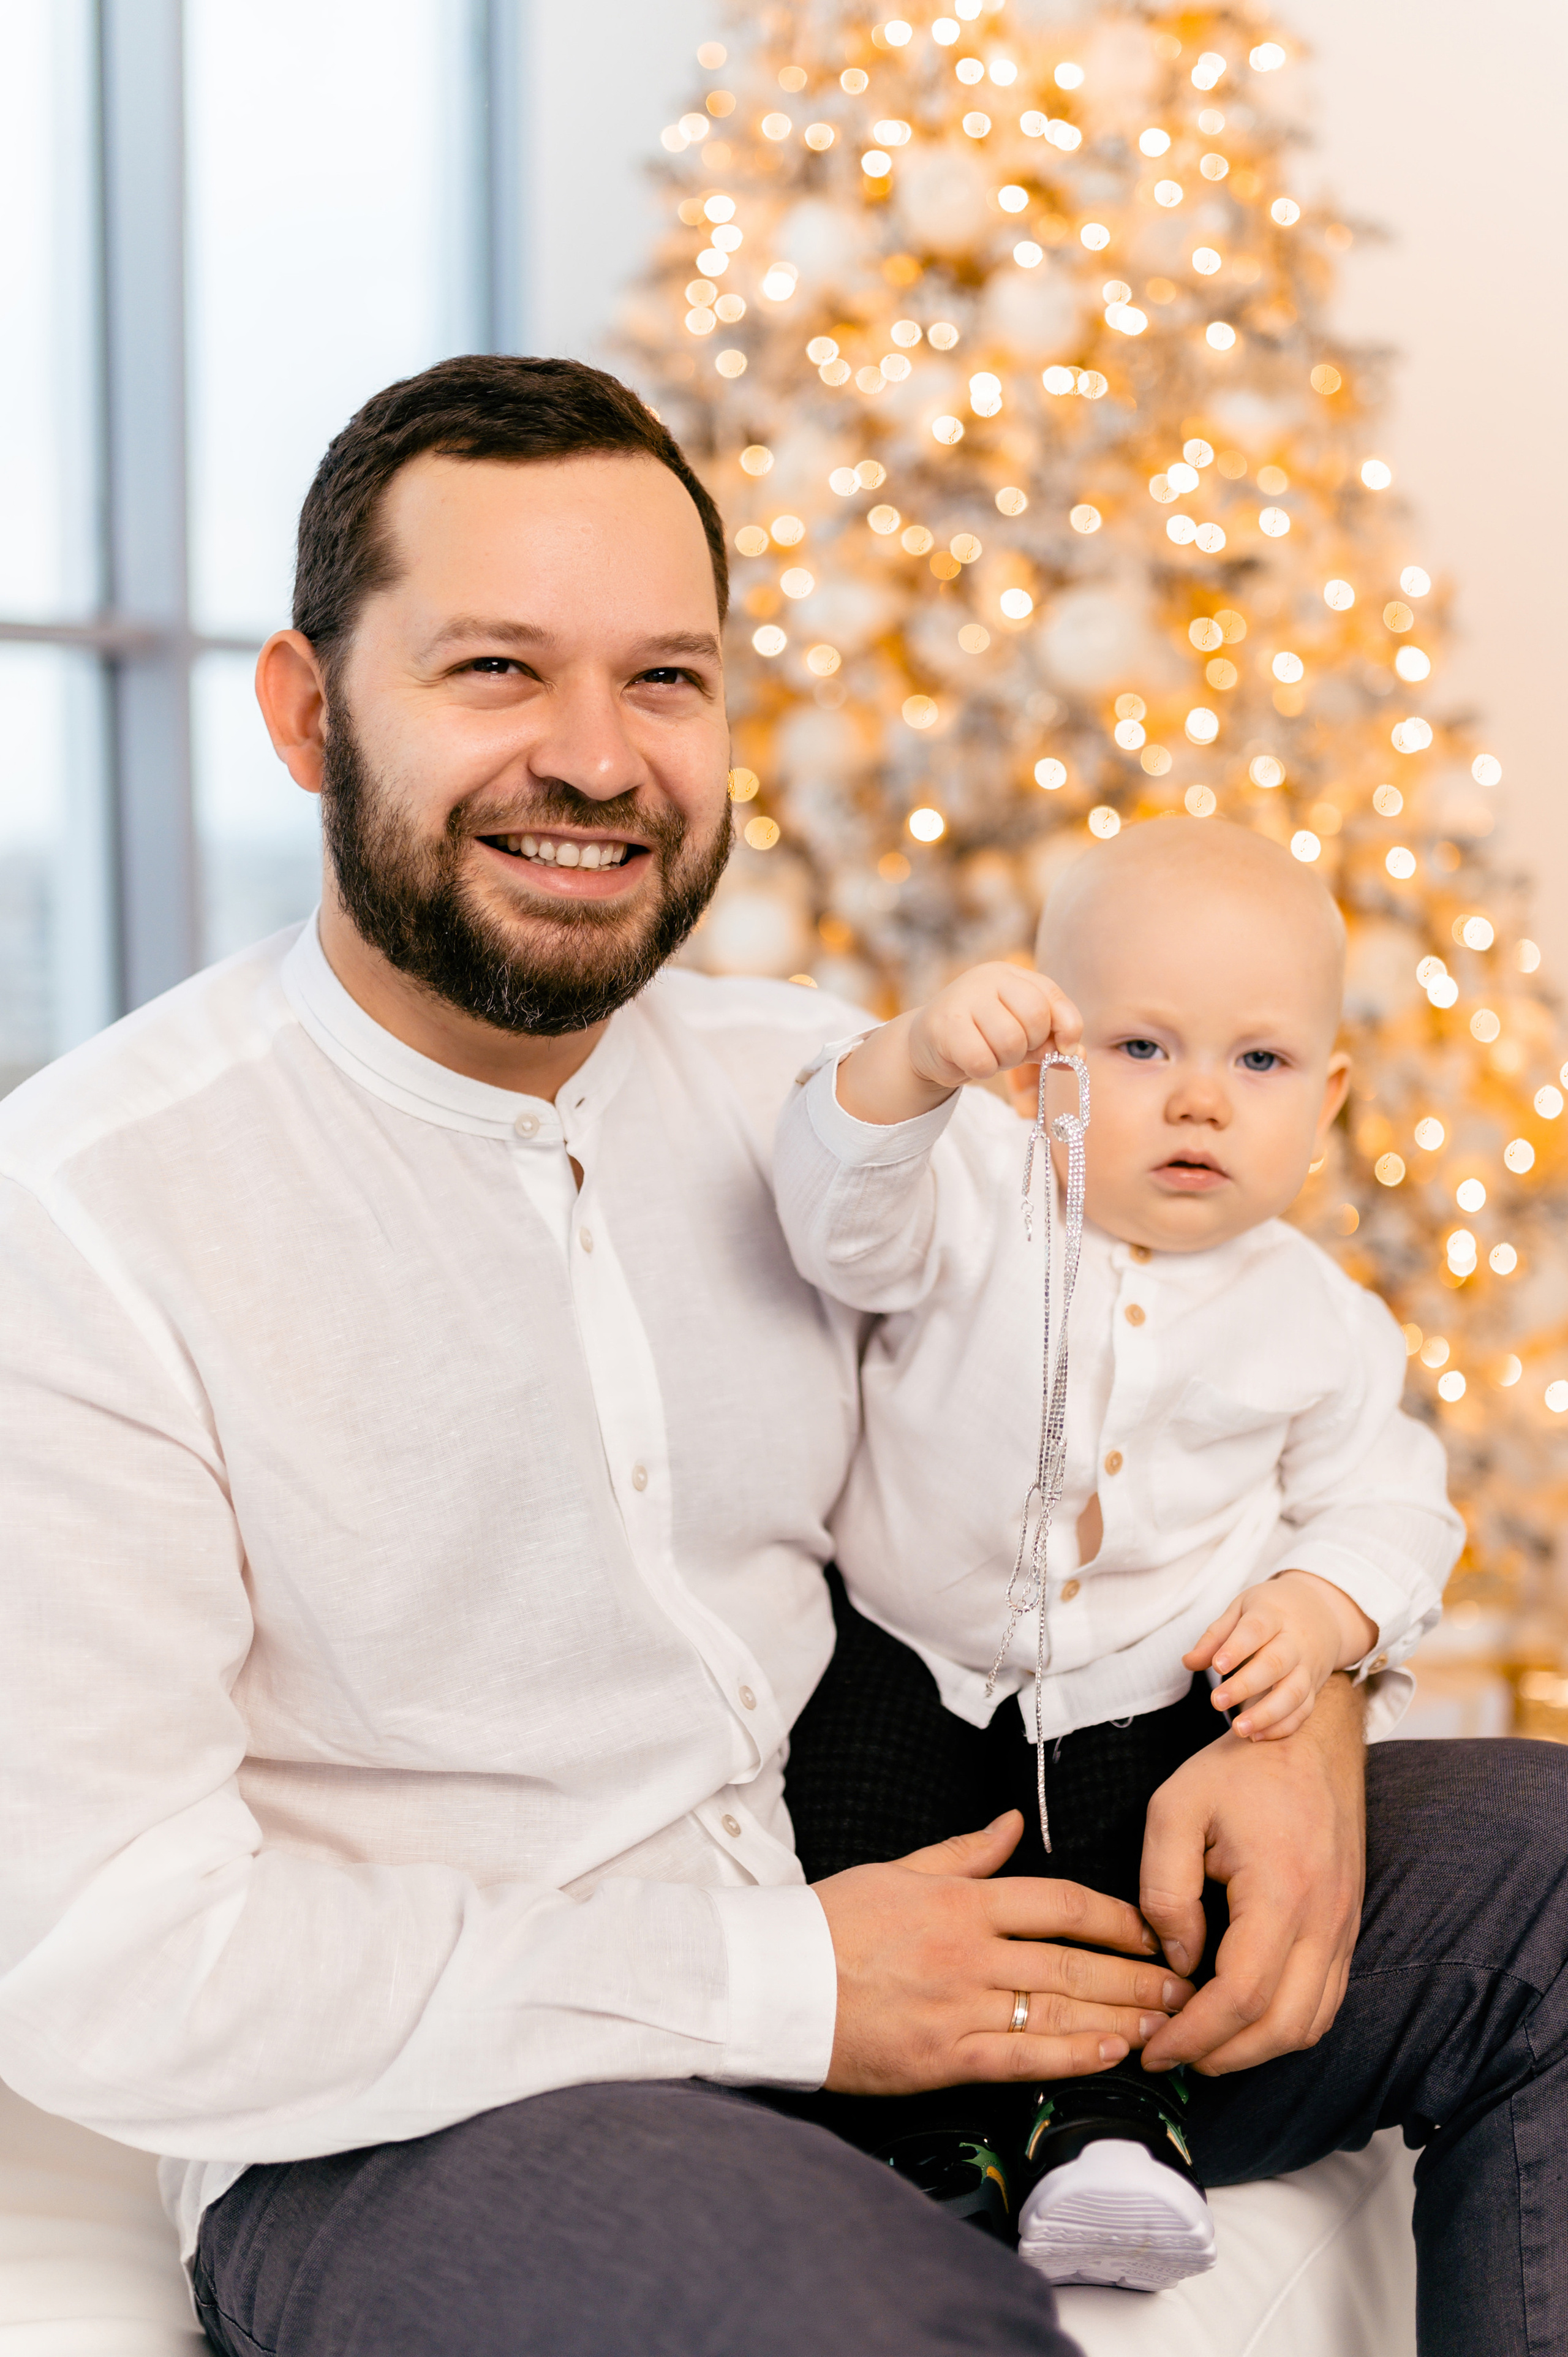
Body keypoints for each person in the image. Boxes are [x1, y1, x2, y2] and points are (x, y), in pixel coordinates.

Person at [0, 355, 1561, 2357]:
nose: (597, 757)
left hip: (988, 1908)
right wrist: (790, 1981)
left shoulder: (829, 1094)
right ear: (310, 711)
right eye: (496, 669)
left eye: (665, 677)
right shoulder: (88, 1216)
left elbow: (1156, 1416)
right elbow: (111, 1955)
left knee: (1548, 1863)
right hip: (450, 2102)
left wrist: (1312, 1710)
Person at [771, 820, 1462, 2287]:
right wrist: (908, 1067)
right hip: (905, 1660)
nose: (1200, 1100)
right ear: (1042, 1073)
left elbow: (1394, 1501)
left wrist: (1322, 1601)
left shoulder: (1318, 1320)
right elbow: (833, 1222)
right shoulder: (974, 1200)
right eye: (1143, 1049)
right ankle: (910, 2143)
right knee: (846, 1834)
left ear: (1326, 1097)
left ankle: (1104, 2131)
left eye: (1258, 1064)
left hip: (1135, 1705)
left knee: (1146, 1907)